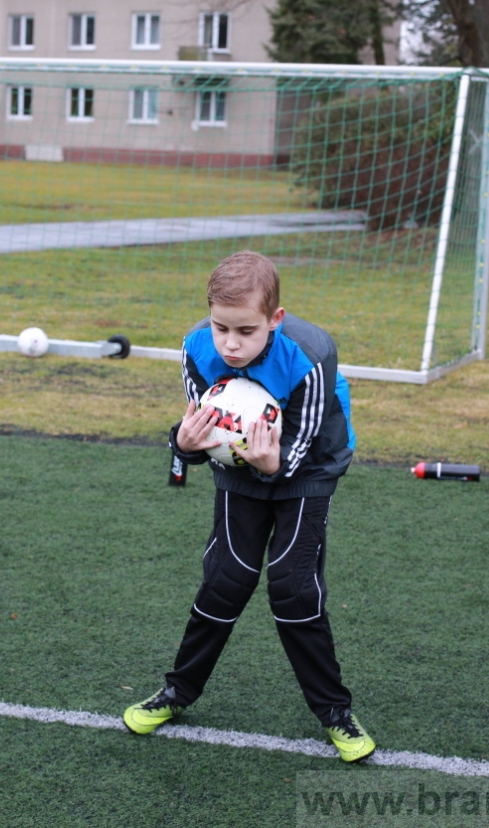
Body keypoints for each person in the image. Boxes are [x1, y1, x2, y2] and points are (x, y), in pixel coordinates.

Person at [123, 251, 375, 763]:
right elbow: (199, 434)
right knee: (226, 578)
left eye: (246, 330)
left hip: (309, 465)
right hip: (240, 466)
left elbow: (299, 451)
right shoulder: (198, 346)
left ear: (274, 321)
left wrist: (270, 463)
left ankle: (334, 712)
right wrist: (184, 445)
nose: (231, 344)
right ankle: (177, 691)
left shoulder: (310, 355)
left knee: (292, 586)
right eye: (221, 328)